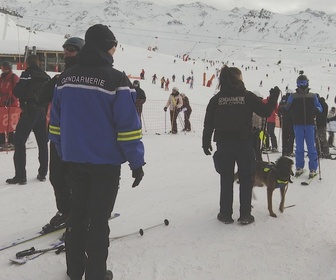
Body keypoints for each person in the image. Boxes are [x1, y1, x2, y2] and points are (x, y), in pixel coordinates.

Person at [49, 24, 145, 280]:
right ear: (105, 46)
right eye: (113, 45)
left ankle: (74, 270)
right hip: (105, 164)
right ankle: (95, 274)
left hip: (74, 161)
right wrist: (136, 161)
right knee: (99, 220)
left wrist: (63, 151)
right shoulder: (116, 79)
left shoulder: (65, 79)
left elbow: (55, 124)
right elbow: (128, 127)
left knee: (77, 216)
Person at [202, 65, 280, 225]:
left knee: (226, 178)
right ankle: (245, 215)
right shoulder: (246, 96)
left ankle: (225, 214)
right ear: (238, 79)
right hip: (243, 143)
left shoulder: (217, 99)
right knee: (246, 178)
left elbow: (208, 122)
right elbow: (265, 112)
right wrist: (273, 98)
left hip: (223, 144)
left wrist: (206, 141)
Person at [36, 37, 85, 231]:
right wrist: (56, 80)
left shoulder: (87, 76)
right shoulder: (62, 77)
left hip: (81, 138)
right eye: (65, 49)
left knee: (77, 179)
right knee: (56, 177)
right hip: (59, 137)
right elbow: (41, 96)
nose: (66, 52)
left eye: (71, 49)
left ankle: (81, 216)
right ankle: (66, 211)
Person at [6, 54, 50, 185]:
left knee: (19, 142)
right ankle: (42, 173)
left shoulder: (26, 74)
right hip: (42, 112)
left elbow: (18, 92)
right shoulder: (45, 76)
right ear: (39, 63)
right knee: (42, 143)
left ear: (27, 63)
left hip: (28, 111)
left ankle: (21, 176)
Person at [285, 73, 322, 178]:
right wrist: (285, 109)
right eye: (300, 83)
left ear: (307, 83)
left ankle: (313, 168)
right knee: (299, 147)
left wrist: (317, 110)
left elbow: (320, 107)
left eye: (304, 82)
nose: (302, 85)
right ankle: (299, 166)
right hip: (298, 124)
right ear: (297, 84)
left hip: (310, 124)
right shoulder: (293, 96)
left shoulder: (312, 96)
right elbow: (287, 107)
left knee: (311, 147)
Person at [0, 61, 19, 150]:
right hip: (2, 104)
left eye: (4, 67)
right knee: (1, 123)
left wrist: (13, 97)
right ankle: (2, 142)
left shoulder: (13, 77)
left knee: (10, 123)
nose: (3, 69)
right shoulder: (1, 78)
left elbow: (19, 88)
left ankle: (12, 141)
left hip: (12, 104)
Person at [278, 90, 295, 157]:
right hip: (291, 121)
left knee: (284, 136)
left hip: (283, 120)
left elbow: (279, 110)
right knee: (292, 136)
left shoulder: (282, 100)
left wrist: (280, 117)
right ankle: (289, 150)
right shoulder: (292, 100)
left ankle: (284, 150)